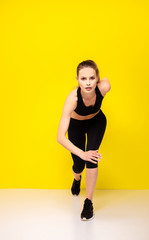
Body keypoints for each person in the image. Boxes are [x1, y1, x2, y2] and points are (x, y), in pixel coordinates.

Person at [57, 60, 111, 221]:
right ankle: (76, 178)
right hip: (76, 125)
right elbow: (60, 137)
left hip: (97, 122)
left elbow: (107, 80)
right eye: (83, 79)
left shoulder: (104, 87)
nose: (88, 83)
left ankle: (88, 202)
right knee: (79, 164)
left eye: (92, 78)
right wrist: (81, 153)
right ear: (77, 79)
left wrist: (88, 154)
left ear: (97, 79)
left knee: (92, 159)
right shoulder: (72, 98)